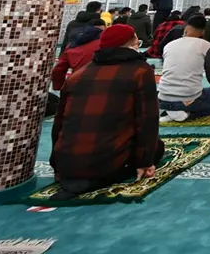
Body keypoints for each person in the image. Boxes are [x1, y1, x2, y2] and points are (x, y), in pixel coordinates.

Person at [49, 24, 162, 200]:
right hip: (106, 163)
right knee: (158, 147)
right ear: (131, 43)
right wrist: (145, 161)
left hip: (66, 164)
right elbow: (147, 120)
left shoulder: (78, 75)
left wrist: (57, 163)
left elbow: (59, 123)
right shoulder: (140, 72)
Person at [157, 14, 210, 122]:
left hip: (163, 98)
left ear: (186, 28)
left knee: (206, 92)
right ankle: (187, 112)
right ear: (203, 32)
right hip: (189, 97)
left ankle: (171, 110)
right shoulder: (205, 45)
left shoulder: (169, 45)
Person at [51, 17, 106, 90]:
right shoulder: (108, 45)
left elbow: (58, 70)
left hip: (77, 85)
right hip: (102, 87)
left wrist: (58, 86)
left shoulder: (72, 45)